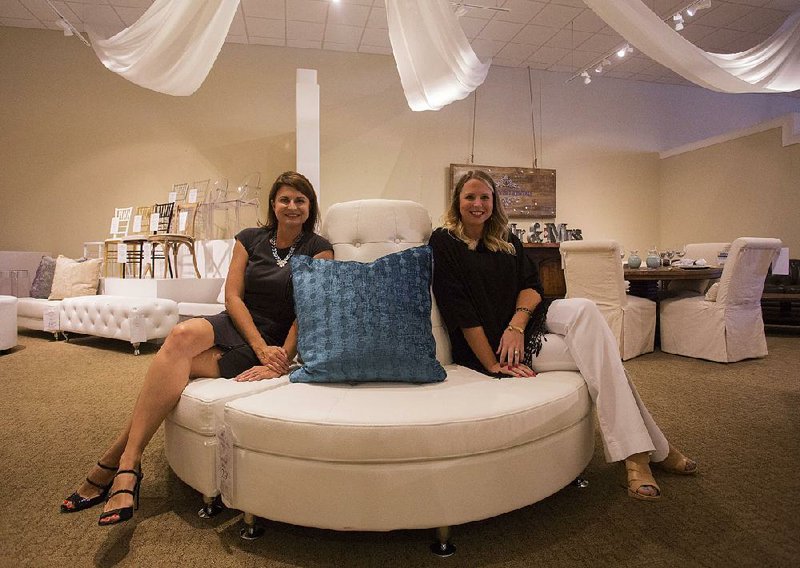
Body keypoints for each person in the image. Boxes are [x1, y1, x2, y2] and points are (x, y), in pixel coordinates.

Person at [61, 171, 334, 525]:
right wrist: (258, 345)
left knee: (173, 371)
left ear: (309, 206)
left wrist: (277, 358)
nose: (292, 206)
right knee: (179, 337)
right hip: (238, 324)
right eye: (285, 199)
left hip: (275, 341)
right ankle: (128, 463)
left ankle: (118, 461)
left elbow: (307, 310)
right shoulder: (249, 239)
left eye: (300, 200)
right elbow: (232, 296)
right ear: (273, 204)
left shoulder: (319, 249)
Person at [429, 170, 697, 501]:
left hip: (523, 325)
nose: (478, 204)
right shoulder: (444, 242)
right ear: (457, 201)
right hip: (491, 346)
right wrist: (492, 363)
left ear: (494, 201)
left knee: (585, 308)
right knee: (603, 358)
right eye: (470, 196)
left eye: (485, 196)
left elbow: (532, 288)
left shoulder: (505, 237)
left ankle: (642, 451)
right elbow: (460, 310)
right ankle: (647, 451)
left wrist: (516, 326)